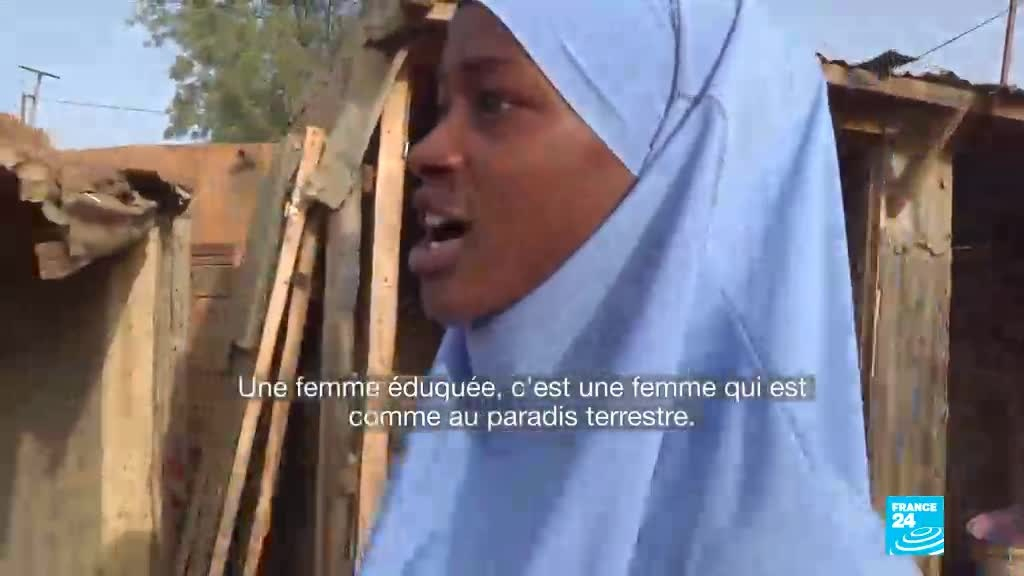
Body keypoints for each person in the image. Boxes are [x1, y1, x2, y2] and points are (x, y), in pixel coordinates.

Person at [359, 0, 921, 574]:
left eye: (493, 102)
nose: (425, 152)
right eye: (441, 107)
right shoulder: (460, 464)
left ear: (668, 156)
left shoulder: (800, 558)